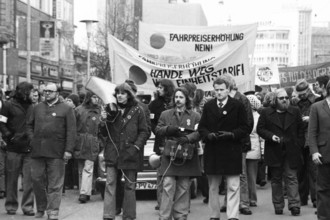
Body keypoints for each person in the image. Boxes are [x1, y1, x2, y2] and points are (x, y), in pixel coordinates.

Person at [198, 77, 249, 220]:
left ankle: (233, 216)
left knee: (233, 185)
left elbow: (245, 127)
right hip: (213, 150)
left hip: (232, 150)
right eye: (216, 90)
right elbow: (202, 127)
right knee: (213, 187)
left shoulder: (237, 105)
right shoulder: (209, 106)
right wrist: (208, 135)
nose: (219, 92)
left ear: (228, 90)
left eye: (221, 89)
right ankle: (214, 215)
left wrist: (232, 134)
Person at [27, 82, 76, 220]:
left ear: (57, 93)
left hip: (57, 152)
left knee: (55, 183)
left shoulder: (66, 109)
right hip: (37, 151)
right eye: (45, 91)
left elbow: (72, 131)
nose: (47, 93)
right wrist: (32, 139)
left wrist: (68, 150)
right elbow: (29, 125)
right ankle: (41, 208)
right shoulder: (36, 108)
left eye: (50, 91)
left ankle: (53, 211)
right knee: (37, 180)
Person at [99, 82, 149, 220]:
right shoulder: (110, 109)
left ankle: (129, 216)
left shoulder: (138, 110)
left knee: (130, 186)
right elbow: (103, 132)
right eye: (118, 93)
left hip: (130, 152)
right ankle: (108, 215)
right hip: (112, 152)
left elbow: (144, 131)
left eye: (123, 93)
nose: (119, 96)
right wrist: (103, 121)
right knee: (110, 184)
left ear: (129, 95)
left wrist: (136, 147)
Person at [156, 86, 201, 220]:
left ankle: (181, 216)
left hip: (187, 154)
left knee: (183, 187)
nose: (178, 100)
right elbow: (157, 129)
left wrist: (188, 138)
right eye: (176, 97)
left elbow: (200, 132)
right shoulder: (165, 114)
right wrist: (168, 129)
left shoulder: (195, 115)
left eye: (181, 97)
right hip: (169, 154)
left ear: (187, 99)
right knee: (168, 185)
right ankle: (164, 217)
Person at [257, 88, 304, 216]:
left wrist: (299, 144)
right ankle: (278, 205)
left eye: (286, 98)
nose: (284, 100)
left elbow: (301, 129)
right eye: (281, 98)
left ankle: (294, 205)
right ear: (275, 100)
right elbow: (260, 129)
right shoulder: (266, 112)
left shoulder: (295, 111)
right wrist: (271, 136)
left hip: (291, 149)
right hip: (274, 150)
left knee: (291, 177)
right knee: (276, 179)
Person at [0, 82, 35, 216]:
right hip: (13, 148)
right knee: (12, 179)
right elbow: (1, 123)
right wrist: (10, 136)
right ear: (25, 92)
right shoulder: (8, 105)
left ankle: (28, 207)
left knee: (29, 180)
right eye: (31, 92)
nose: (33, 94)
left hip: (29, 148)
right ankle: (11, 205)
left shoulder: (32, 107)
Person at [148, 79, 175, 210]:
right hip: (160, 141)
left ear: (167, 88)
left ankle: (173, 201)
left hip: (175, 141)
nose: (158, 89)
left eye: (161, 87)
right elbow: (151, 123)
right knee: (161, 173)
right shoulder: (154, 104)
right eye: (158, 87)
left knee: (174, 172)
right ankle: (160, 202)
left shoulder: (175, 101)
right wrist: (159, 131)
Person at [74, 91, 101, 203]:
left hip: (92, 141)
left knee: (88, 168)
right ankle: (85, 191)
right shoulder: (78, 110)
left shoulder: (100, 110)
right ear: (89, 98)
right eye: (94, 97)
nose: (96, 99)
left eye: (98, 97)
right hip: (80, 141)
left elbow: (103, 127)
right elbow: (73, 126)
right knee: (81, 169)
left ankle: (84, 193)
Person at [294, 79, 317, 208]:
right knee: (300, 171)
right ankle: (302, 198)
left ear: (308, 89)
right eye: (299, 93)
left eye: (303, 92)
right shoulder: (295, 103)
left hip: (312, 139)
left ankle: (315, 199)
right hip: (299, 140)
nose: (302, 95)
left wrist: (311, 119)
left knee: (313, 171)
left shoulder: (317, 100)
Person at [308, 80, 330, 220]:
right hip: (324, 154)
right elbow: (312, 132)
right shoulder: (316, 107)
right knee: (323, 190)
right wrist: (314, 151)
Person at [245, 94, 263, 207]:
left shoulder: (258, 117)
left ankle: (252, 198)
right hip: (246, 149)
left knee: (250, 176)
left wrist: (262, 151)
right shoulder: (245, 116)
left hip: (253, 149)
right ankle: (246, 198)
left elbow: (260, 136)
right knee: (245, 176)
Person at [64, 93, 80, 191]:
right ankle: (68, 183)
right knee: (68, 163)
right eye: (67, 100)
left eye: (69, 100)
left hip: (76, 139)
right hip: (67, 139)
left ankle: (75, 182)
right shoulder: (66, 111)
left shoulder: (76, 112)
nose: (67, 102)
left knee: (75, 163)